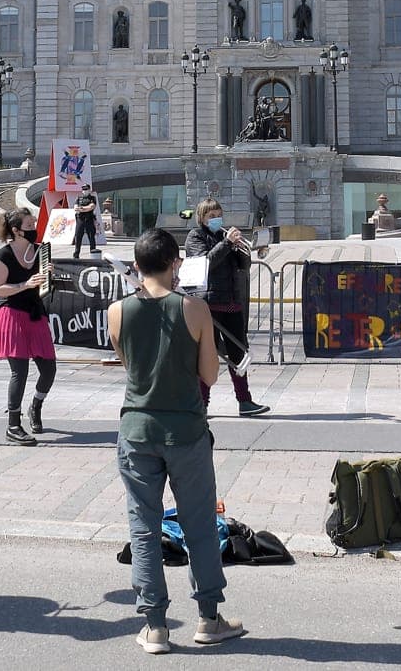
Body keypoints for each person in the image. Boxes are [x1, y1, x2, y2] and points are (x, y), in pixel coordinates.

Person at [108, 228, 246, 654]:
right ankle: (208, 617)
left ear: (136, 265)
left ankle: (154, 625)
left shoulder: (117, 310)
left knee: (144, 528)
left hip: (137, 430)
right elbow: (209, 375)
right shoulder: (195, 308)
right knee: (199, 525)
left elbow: (128, 363)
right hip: (185, 430)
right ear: (175, 263)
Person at [183, 198, 270, 416]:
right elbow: (205, 262)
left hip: (232, 302)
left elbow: (243, 266)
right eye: (211, 216)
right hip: (209, 304)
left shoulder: (224, 236)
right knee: (207, 354)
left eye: (218, 214)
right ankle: (201, 403)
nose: (216, 219)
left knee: (238, 353)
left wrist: (245, 250)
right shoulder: (196, 236)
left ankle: (245, 401)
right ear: (201, 218)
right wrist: (227, 244)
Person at [0, 208, 56, 445]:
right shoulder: (3, 255)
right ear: (16, 230)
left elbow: (43, 287)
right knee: (20, 370)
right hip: (10, 312)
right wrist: (25, 284)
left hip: (34, 311)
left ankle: (35, 405)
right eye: (29, 224)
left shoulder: (40, 251)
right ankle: (13, 425)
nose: (34, 227)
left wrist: (47, 278)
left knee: (49, 368)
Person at [73, 191, 99, 258]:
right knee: (78, 236)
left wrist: (82, 209)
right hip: (80, 219)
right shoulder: (79, 198)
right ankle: (76, 254)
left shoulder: (92, 198)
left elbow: (91, 207)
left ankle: (93, 253)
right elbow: (75, 208)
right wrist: (84, 209)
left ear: (89, 190)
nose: (85, 191)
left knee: (91, 236)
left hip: (89, 219)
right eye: (83, 189)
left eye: (86, 189)